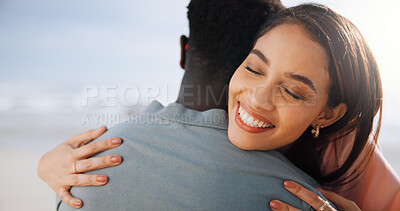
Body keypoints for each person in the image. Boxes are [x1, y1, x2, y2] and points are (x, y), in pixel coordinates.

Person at [38, 2, 400, 211]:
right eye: (255, 69)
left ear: (327, 114)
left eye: (292, 91)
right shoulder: (86, 162)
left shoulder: (344, 147)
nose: (258, 98)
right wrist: (46, 165)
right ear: (240, 64)